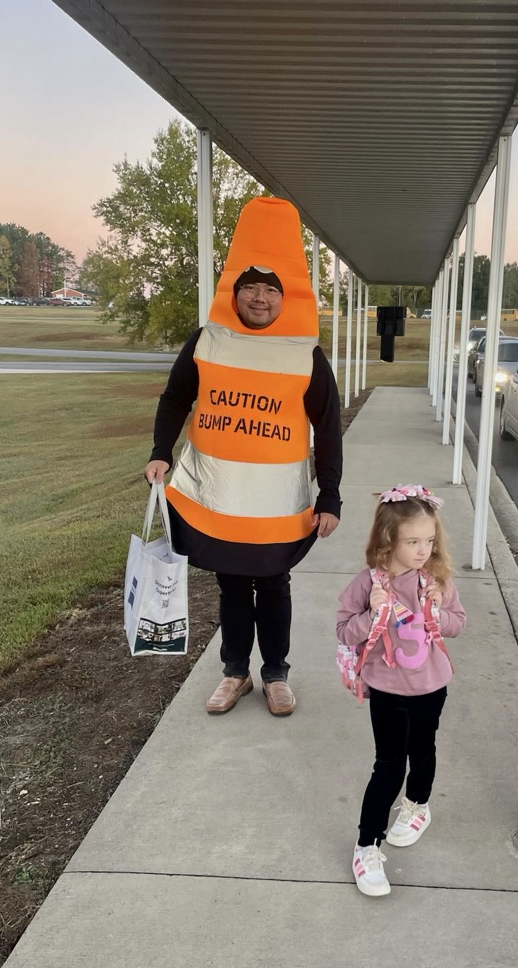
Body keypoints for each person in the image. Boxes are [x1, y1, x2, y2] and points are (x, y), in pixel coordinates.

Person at [145, 197, 342, 718]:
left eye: (271, 288)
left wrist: (330, 495)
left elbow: (327, 425)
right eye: (250, 286)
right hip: (221, 495)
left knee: (274, 583)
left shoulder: (305, 354)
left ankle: (275, 674)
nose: (260, 297)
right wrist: (161, 452)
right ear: (233, 291)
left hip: (278, 502)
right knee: (231, 583)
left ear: (286, 296)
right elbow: (175, 398)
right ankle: (235, 672)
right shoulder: (208, 341)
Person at [336, 485, 466, 896]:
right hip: (387, 690)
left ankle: (417, 805)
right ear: (388, 539)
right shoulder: (368, 584)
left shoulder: (436, 580)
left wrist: (438, 610)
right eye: (413, 542)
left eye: (429, 540)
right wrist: (372, 613)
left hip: (431, 686)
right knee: (389, 763)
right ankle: (366, 845)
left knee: (423, 750)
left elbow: (458, 623)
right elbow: (344, 631)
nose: (423, 549)